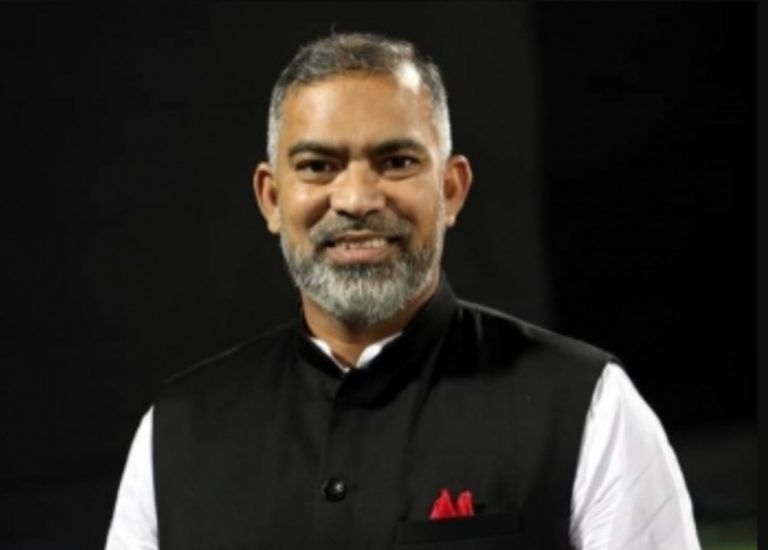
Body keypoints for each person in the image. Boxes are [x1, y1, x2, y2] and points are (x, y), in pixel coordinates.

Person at [105, 32, 701, 549]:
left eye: (395, 162)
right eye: (317, 166)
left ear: (452, 189)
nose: (356, 199)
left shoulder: (585, 405)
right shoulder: (177, 430)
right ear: (271, 198)